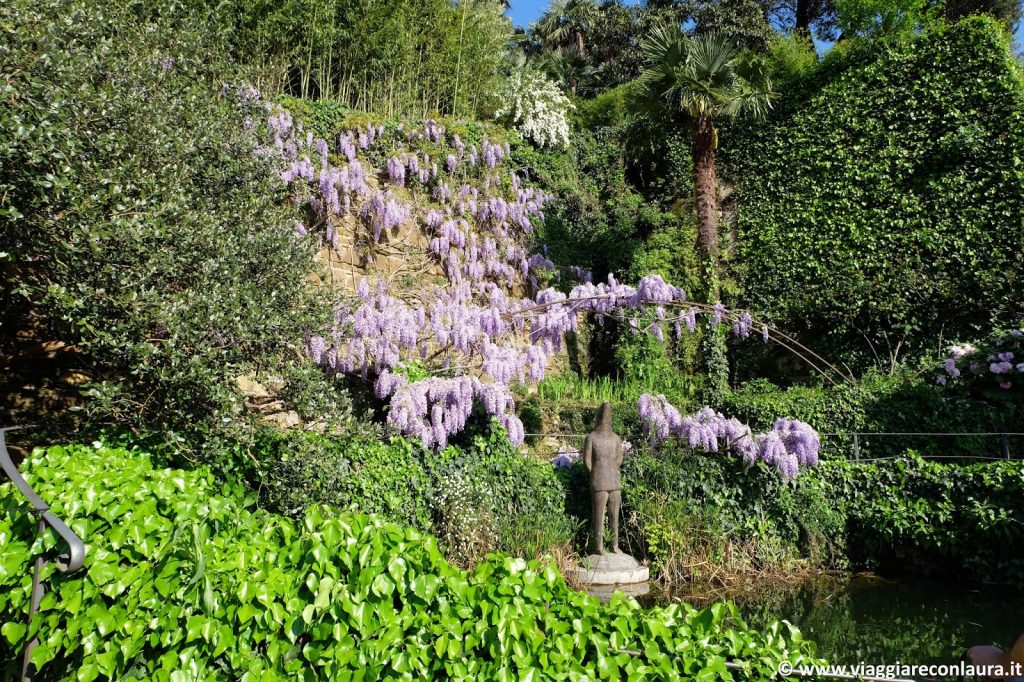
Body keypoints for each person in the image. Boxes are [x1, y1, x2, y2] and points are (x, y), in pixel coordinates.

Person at [583, 401, 624, 555]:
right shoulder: (592, 438)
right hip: (602, 481)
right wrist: (599, 473)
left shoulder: (615, 438)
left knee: (612, 516)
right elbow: (588, 462)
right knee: (599, 515)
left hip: (610, 481)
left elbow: (619, 458)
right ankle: (599, 546)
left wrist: (600, 472)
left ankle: (613, 545)